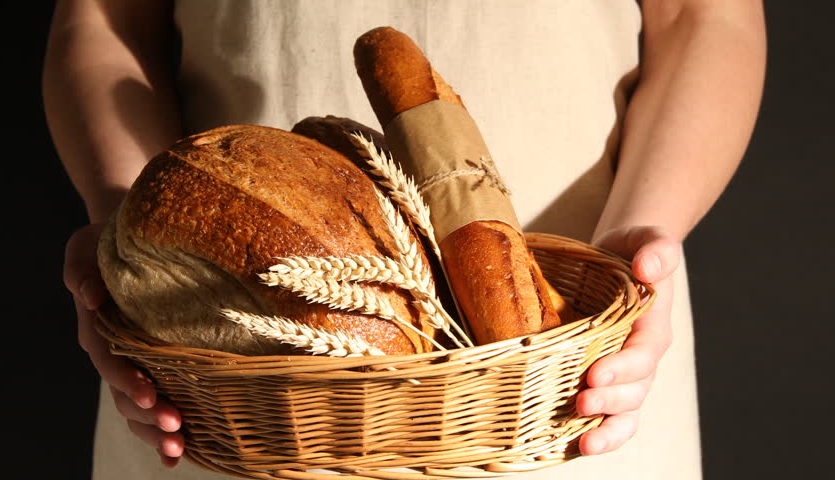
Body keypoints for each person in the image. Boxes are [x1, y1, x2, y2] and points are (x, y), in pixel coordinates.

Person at [42, 1, 766, 479]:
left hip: (577, 378)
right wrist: (128, 231)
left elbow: (709, 19)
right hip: (226, 378)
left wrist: (637, 252)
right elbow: (104, 22)